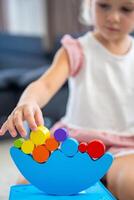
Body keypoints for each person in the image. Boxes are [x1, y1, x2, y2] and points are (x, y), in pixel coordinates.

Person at [1, 0, 134, 199]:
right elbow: (45, 84)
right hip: (75, 141)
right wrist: (27, 102)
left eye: (126, 9)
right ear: (89, 4)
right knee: (28, 184)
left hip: (126, 144)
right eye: (104, 6)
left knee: (130, 184)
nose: (113, 17)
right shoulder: (76, 49)